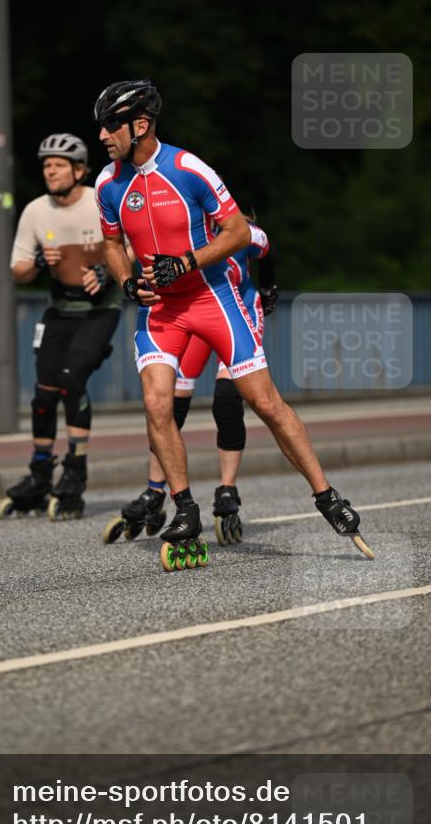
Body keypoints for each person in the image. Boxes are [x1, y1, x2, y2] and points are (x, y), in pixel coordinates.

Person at [93, 80, 372, 562]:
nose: (102, 136)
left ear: (140, 125)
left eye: (110, 126)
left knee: (263, 402)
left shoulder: (188, 168)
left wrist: (186, 263)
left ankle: (327, 496)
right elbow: (113, 244)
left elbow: (239, 231)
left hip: (212, 298)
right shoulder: (107, 183)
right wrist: (125, 281)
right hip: (160, 309)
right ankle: (184, 508)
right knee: (157, 404)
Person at [105, 220, 278, 546]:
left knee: (227, 400)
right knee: (169, 407)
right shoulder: (177, 226)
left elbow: (266, 249)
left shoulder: (237, 230)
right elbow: (129, 249)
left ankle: (227, 489)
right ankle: (155, 490)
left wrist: (268, 290)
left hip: (238, 311)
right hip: (194, 312)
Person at [0, 132, 122, 520]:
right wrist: (38, 261)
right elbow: (17, 270)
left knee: (72, 378)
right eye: (46, 165)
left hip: (101, 309)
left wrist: (107, 271)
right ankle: (40, 474)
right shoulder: (36, 211)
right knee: (43, 393)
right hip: (60, 309)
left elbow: (134, 247)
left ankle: (74, 472)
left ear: (80, 170)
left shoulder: (100, 201)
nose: (50, 171)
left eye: (59, 165)